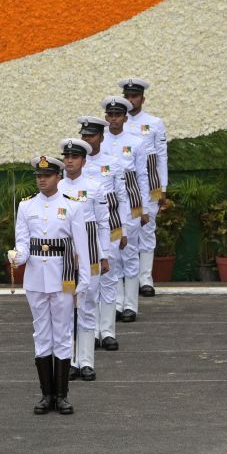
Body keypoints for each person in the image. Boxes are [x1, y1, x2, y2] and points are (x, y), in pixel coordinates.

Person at [8, 155, 91, 415]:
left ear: (58, 177)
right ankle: (46, 395)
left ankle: (63, 395)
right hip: (35, 278)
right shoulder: (26, 206)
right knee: (41, 334)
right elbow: (23, 241)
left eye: (47, 175)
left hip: (63, 276)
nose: (42, 180)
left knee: (63, 334)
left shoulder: (73, 206)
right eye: (39, 176)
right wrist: (17, 256)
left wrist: (84, 280)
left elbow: (81, 247)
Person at [77, 116, 130, 351]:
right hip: (84, 229)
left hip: (110, 226)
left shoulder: (114, 163)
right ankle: (89, 330)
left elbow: (122, 197)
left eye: (92, 135)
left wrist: (125, 229)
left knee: (109, 280)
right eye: (84, 135)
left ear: (101, 136)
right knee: (87, 283)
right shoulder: (76, 163)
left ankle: (106, 331)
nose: (87, 139)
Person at [59, 138, 109, 381]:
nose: (70, 161)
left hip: (89, 251)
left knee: (87, 307)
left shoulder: (95, 187)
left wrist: (105, 255)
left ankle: (87, 361)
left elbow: (102, 224)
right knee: (66, 309)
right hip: (64, 255)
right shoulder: (56, 188)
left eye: (75, 157)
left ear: (84, 160)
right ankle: (69, 361)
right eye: (67, 157)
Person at [99, 96, 150, 323]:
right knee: (113, 255)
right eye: (110, 115)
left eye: (118, 115)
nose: (113, 119)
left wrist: (145, 208)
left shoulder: (137, 142)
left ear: (125, 117)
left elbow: (143, 176)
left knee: (129, 253)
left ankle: (131, 304)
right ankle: (116, 302)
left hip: (131, 202)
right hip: (109, 204)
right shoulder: (101, 141)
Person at [120, 78, 167, 298]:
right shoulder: (117, 123)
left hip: (150, 183)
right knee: (127, 229)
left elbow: (161, 157)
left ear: (142, 98)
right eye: (127, 97)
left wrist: (162, 189)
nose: (131, 100)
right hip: (125, 185)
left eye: (134, 96)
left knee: (147, 229)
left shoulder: (155, 122)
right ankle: (127, 277)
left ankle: (145, 278)